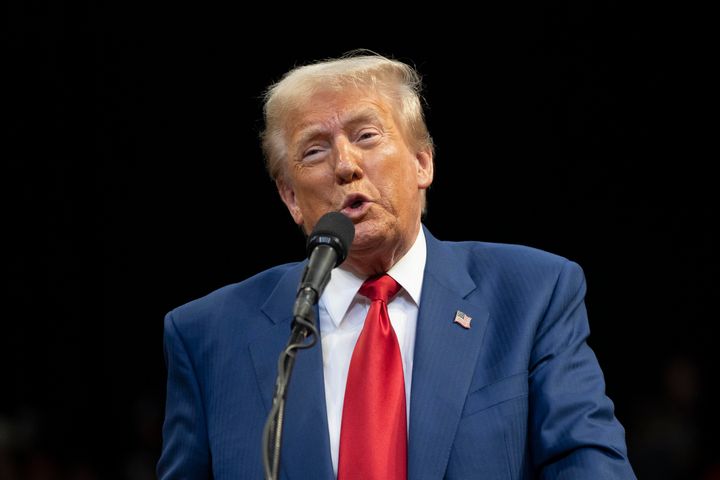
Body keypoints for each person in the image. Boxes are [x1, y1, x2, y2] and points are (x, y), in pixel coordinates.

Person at [157, 50, 637, 479]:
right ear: (291, 199)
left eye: (367, 135)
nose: (345, 165)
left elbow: (588, 463)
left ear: (422, 163)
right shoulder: (209, 335)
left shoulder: (532, 294)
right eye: (314, 150)